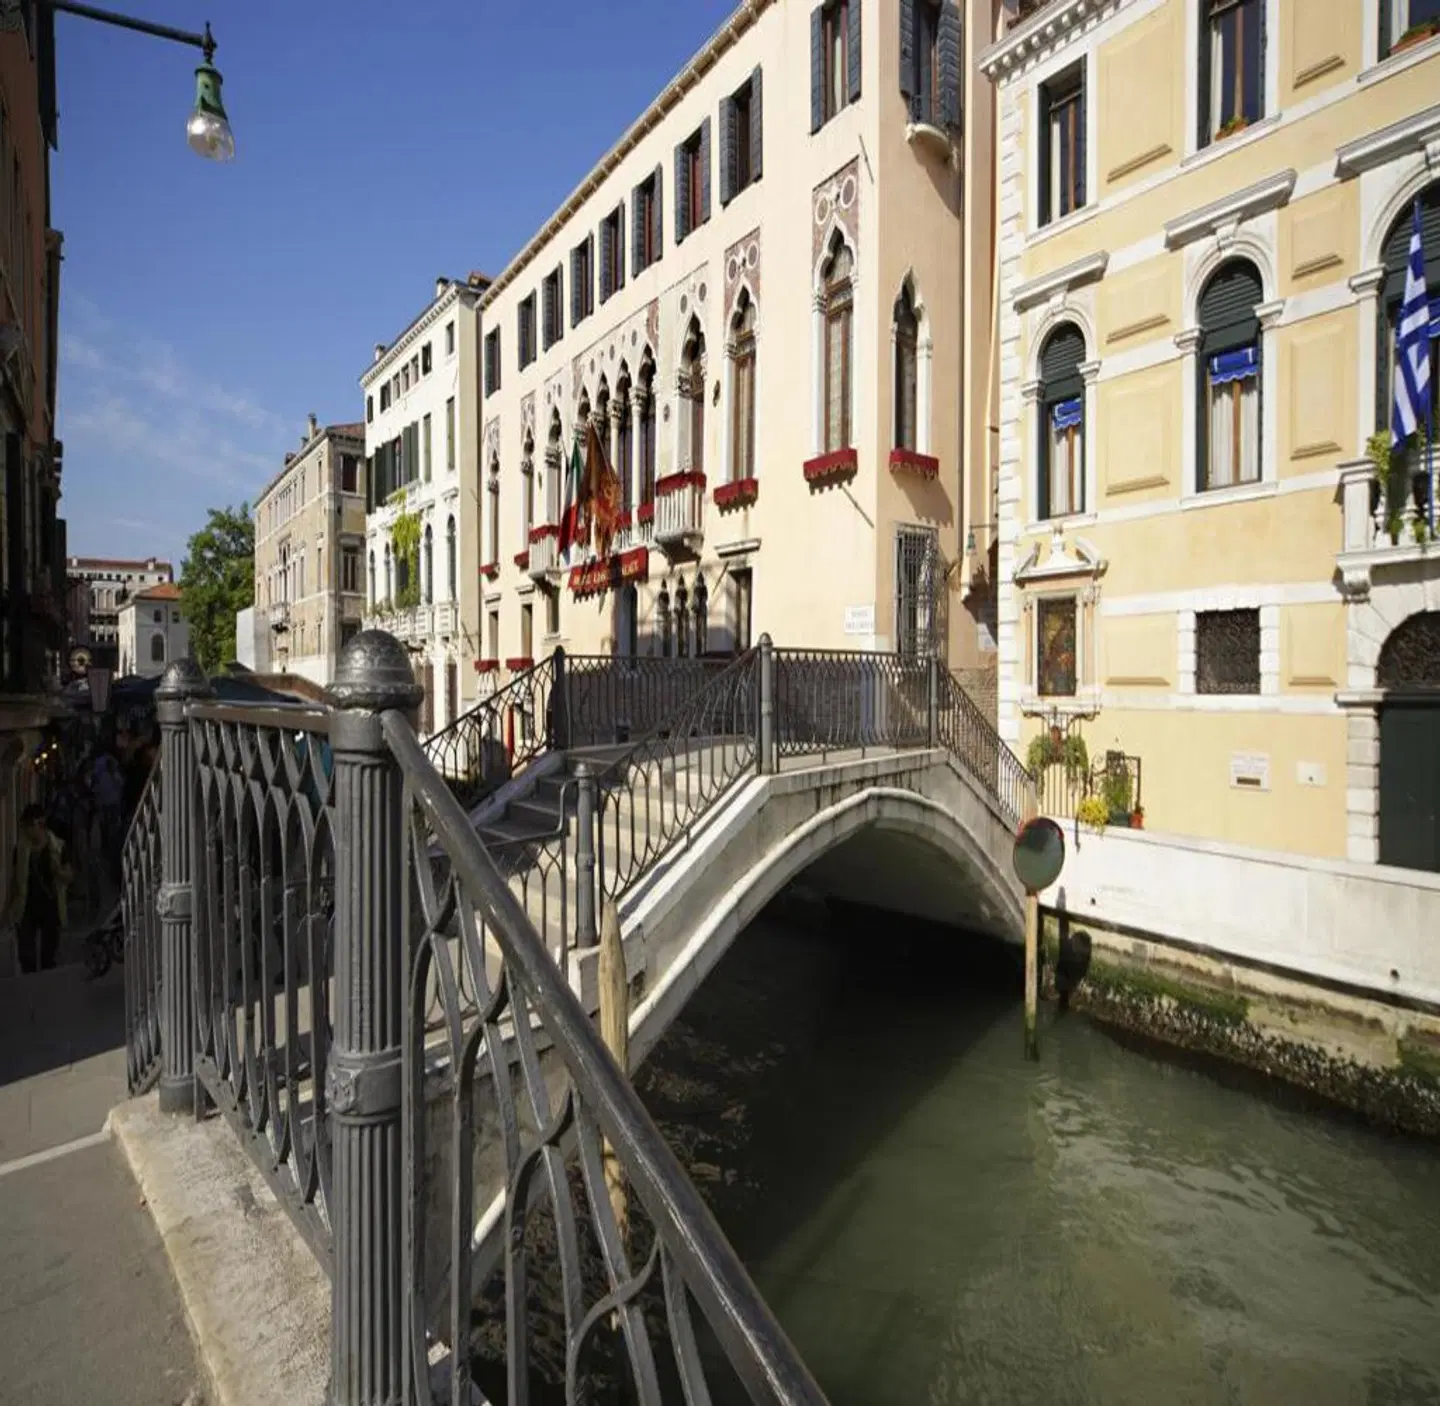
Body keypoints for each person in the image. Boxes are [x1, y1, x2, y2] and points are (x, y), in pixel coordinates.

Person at [8, 803, 73, 974]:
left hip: (50, 906)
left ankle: (44, 988)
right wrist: (7, 908)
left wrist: (57, 871)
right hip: (26, 906)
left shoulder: (58, 846)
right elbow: (14, 880)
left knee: (48, 956)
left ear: (39, 824)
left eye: (29, 826)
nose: (26, 831)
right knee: (26, 955)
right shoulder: (20, 849)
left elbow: (69, 876)